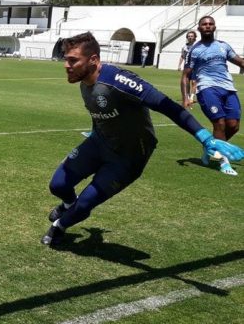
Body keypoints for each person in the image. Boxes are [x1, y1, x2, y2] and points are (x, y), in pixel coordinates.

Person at [41, 32, 243, 246]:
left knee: (84, 205)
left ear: (93, 60)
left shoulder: (119, 81)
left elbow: (168, 106)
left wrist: (205, 138)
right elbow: (100, 111)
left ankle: (59, 226)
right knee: (58, 185)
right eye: (66, 59)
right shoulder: (84, 80)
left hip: (129, 156)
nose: (67, 65)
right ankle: (68, 204)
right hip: (100, 142)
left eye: (73, 60)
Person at [180, 15, 244, 176]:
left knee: (234, 126)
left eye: (210, 24)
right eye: (204, 24)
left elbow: (241, 62)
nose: (207, 26)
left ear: (214, 27)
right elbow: (185, 75)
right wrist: (185, 97)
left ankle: (211, 146)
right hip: (207, 88)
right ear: (199, 28)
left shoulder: (223, 46)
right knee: (220, 124)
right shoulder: (194, 50)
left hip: (228, 88)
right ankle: (224, 163)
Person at [178, 30, 198, 104]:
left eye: (191, 36)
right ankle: (188, 96)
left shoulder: (198, 46)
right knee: (186, 82)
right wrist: (179, 65)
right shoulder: (184, 47)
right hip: (186, 66)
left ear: (194, 37)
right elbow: (182, 56)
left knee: (194, 82)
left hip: (195, 67)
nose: (190, 37)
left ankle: (192, 97)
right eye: (189, 36)